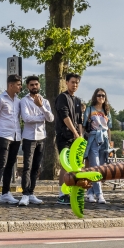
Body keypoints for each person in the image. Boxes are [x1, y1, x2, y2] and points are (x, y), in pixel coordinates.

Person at [0, 74, 22, 205]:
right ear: (11, 85)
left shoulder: (18, 101)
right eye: (18, 85)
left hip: (16, 136)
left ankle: (6, 193)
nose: (20, 87)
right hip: (3, 135)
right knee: (1, 164)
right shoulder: (0, 99)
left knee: (10, 165)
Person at [19, 76, 53, 206]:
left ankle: (31, 192)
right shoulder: (24, 101)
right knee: (27, 167)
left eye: (36, 84)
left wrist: (41, 107)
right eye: (32, 85)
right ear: (27, 86)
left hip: (41, 137)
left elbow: (50, 118)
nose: (34, 86)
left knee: (36, 167)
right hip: (29, 137)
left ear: (39, 85)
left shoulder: (45, 101)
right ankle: (25, 194)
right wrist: (42, 117)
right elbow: (26, 118)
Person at [54, 73, 83, 205]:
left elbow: (79, 120)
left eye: (77, 83)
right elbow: (65, 117)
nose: (75, 85)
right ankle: (62, 194)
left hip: (76, 138)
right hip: (64, 136)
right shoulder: (62, 97)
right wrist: (74, 132)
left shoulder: (77, 100)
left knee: (74, 165)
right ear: (66, 82)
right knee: (65, 165)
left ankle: (70, 191)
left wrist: (80, 135)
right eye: (72, 82)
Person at [83, 88, 112, 204]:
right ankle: (99, 194)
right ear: (95, 96)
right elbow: (84, 125)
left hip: (104, 140)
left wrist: (110, 142)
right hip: (93, 138)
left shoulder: (107, 111)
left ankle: (90, 192)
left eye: (103, 96)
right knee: (95, 166)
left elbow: (109, 127)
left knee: (100, 167)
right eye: (99, 95)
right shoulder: (90, 109)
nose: (101, 98)